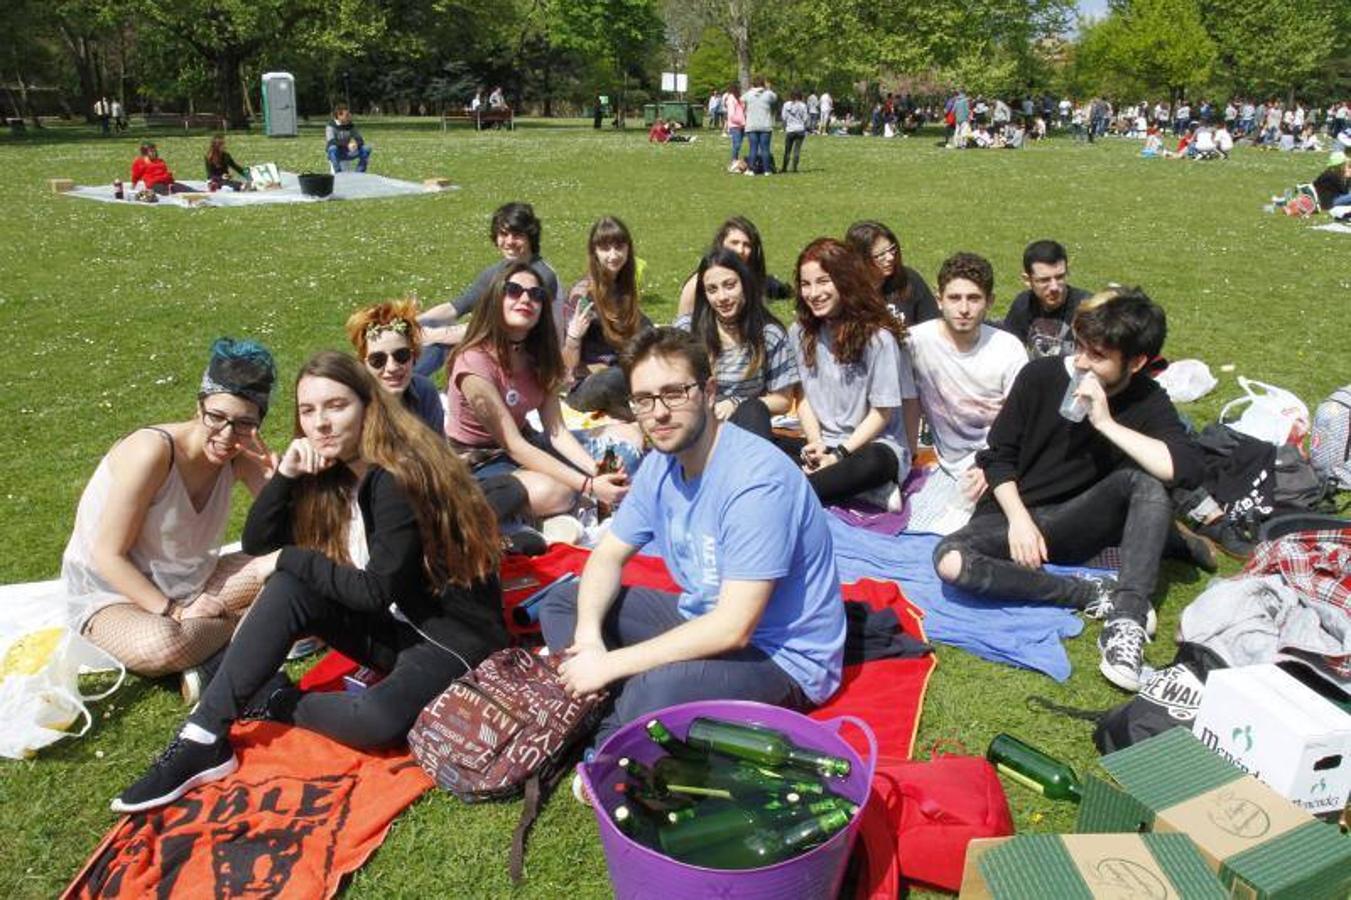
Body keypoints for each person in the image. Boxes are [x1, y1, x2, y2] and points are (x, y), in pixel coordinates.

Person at [112, 352, 507, 813]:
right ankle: (201, 737)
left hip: (453, 637)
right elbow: (261, 541)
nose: (319, 423)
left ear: (368, 406)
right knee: (289, 587)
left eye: (335, 406)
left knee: (376, 721)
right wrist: (285, 476)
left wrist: (288, 558)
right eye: (307, 410)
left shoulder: (396, 474)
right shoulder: (336, 468)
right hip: (401, 625)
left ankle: (275, 697)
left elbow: (373, 591)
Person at [536, 327, 845, 751]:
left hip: (780, 657)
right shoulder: (661, 465)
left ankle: (601, 745)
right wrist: (589, 636)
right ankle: (604, 700)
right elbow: (607, 555)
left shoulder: (755, 484)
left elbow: (735, 627)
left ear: (709, 391)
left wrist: (610, 663)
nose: (658, 413)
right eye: (644, 400)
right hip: (701, 618)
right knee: (563, 602)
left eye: (674, 393)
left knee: (651, 688)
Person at [934, 289, 1207, 691]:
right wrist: (1019, 521)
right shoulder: (1040, 376)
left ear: (1136, 362)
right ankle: (1089, 593)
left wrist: (1106, 423)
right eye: (1080, 347)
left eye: (1097, 355)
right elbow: (997, 457)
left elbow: (1184, 468)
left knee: (1147, 482)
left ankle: (1125, 620)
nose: (1081, 362)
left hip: (1077, 522)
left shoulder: (1147, 399)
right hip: (1016, 517)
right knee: (950, 561)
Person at [62, 339, 277, 692]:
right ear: (199, 406)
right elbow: (107, 555)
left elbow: (292, 528)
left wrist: (280, 481)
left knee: (290, 563)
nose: (225, 435)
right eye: (216, 417)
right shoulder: (152, 451)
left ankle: (218, 641)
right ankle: (258, 624)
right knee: (163, 644)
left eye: (243, 423)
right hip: (114, 595)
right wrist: (175, 613)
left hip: (194, 582)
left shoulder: (242, 448)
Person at [446, 262, 636, 517]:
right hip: (482, 461)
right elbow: (513, 445)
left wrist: (596, 470)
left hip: (529, 441)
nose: (526, 298)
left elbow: (556, 430)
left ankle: (584, 499)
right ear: (495, 298)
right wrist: (588, 486)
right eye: (513, 290)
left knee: (629, 436)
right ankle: (553, 508)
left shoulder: (538, 355)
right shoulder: (474, 363)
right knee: (557, 492)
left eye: (536, 295)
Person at [787, 238, 919, 509]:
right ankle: (860, 491)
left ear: (845, 280)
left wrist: (838, 455)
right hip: (823, 443)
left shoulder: (878, 339)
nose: (813, 293)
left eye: (823, 281)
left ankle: (792, 498)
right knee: (761, 438)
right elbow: (802, 397)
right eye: (806, 284)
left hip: (868, 447)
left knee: (875, 461)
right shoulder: (799, 333)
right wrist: (816, 444)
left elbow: (882, 413)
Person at [906, 254, 1027, 533]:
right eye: (955, 298)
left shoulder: (1008, 349)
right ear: (939, 299)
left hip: (1000, 460)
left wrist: (994, 466)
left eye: (974, 299)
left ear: (990, 302)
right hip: (950, 465)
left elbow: (1020, 424)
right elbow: (906, 401)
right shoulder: (915, 342)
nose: (963, 308)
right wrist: (908, 456)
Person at [415, 202, 564, 377]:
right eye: (503, 234)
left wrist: (433, 335)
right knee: (428, 325)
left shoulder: (541, 276)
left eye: (517, 235)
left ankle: (404, 389)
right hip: (501, 343)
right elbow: (457, 306)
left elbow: (493, 328)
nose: (509, 242)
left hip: (531, 354)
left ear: (530, 237)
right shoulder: (499, 270)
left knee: (443, 342)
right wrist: (413, 321)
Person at [674, 247, 799, 441]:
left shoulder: (769, 334)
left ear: (745, 285)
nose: (722, 297)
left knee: (753, 410)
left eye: (730, 285)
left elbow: (783, 401)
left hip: (745, 427)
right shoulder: (687, 331)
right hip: (697, 427)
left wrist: (736, 403)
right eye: (712, 290)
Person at [559, 216, 653, 420]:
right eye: (605, 248)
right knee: (615, 378)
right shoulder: (582, 296)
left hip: (620, 369)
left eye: (619, 247)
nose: (613, 255)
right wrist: (574, 337)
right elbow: (567, 368)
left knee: (658, 341)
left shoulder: (623, 288)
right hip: (584, 386)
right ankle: (628, 412)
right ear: (594, 252)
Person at [344, 299, 444, 434]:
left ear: (414, 356)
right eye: (378, 360)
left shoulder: (424, 392)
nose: (392, 367)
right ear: (363, 364)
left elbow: (438, 452)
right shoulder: (352, 405)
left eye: (401, 355)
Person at [677, 216, 792, 316]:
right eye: (734, 243)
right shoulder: (698, 282)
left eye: (747, 245)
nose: (740, 250)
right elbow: (683, 327)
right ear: (721, 243)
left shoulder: (751, 281)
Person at [999, 240, 1092, 359]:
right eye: (1044, 280)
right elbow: (1008, 351)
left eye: (1060, 277)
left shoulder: (1088, 308)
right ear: (1027, 280)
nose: (1054, 287)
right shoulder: (1023, 304)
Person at [843, 220, 939, 327]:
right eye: (880, 255)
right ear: (860, 260)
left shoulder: (909, 279)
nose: (890, 257)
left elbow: (932, 325)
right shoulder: (846, 293)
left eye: (892, 249)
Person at [743, 76, 777, 176]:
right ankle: (767, 170)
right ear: (763, 84)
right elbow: (775, 98)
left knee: (753, 148)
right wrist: (768, 88)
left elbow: (741, 99)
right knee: (765, 148)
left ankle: (750, 170)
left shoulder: (749, 94)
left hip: (752, 125)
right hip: (765, 125)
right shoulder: (768, 94)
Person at [325, 104, 371, 173]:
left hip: (348, 152)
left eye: (349, 114)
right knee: (332, 148)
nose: (349, 116)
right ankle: (338, 173)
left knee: (366, 148)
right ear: (339, 115)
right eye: (347, 115)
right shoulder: (331, 126)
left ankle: (359, 172)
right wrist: (347, 144)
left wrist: (355, 143)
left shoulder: (350, 125)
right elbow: (331, 142)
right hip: (337, 153)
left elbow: (360, 140)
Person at [781, 90, 809, 173]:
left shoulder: (786, 105)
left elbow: (783, 117)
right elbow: (805, 118)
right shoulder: (803, 106)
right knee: (797, 150)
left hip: (790, 129)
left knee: (787, 150)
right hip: (800, 129)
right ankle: (794, 168)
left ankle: (784, 168)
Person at [724, 83, 746, 169]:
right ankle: (734, 160)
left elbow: (742, 109)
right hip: (735, 125)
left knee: (738, 144)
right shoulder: (731, 99)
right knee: (736, 145)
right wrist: (741, 122)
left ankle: (735, 160)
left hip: (741, 125)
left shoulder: (739, 99)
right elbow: (731, 115)